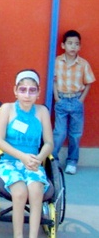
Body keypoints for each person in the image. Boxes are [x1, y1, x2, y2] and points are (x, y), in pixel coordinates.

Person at [0, 69, 53, 238]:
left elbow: (49, 142)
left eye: (32, 90)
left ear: (38, 92)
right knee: (19, 192)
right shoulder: (7, 109)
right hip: (10, 161)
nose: (27, 94)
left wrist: (39, 157)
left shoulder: (42, 112)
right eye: (23, 89)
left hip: (33, 162)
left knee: (36, 190)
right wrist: (22, 156)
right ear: (15, 91)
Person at [52, 30, 95, 175]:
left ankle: (72, 161)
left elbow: (89, 82)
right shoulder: (57, 61)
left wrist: (81, 99)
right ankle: (53, 160)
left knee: (75, 134)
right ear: (63, 45)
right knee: (59, 132)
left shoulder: (83, 64)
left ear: (80, 47)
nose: (73, 47)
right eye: (70, 43)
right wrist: (57, 97)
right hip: (61, 100)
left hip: (76, 100)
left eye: (76, 44)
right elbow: (53, 80)